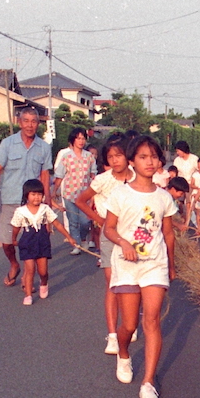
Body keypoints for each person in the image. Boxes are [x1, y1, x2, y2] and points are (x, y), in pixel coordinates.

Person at [103, 135, 178, 398]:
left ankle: (148, 381)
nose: (150, 161)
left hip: (154, 264)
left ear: (160, 161)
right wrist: (123, 243)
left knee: (152, 320)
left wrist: (171, 264)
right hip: (126, 266)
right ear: (132, 160)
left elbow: (168, 234)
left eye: (154, 157)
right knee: (129, 324)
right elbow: (108, 228)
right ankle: (124, 354)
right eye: (143, 157)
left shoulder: (164, 197)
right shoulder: (120, 193)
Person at [74, 134, 133, 355]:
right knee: (112, 283)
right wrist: (100, 220)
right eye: (111, 156)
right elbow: (80, 200)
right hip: (110, 237)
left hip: (133, 237)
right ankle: (112, 335)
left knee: (131, 282)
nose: (116, 160)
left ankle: (129, 323)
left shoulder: (137, 178)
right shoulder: (103, 180)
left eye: (119, 155)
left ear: (128, 156)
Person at [0, 108, 53, 287]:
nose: (30, 125)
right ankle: (14, 264)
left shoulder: (44, 147)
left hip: (34, 203)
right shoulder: (8, 143)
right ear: (20, 122)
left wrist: (47, 200)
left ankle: (28, 275)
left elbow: (45, 175)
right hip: (11, 199)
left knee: (31, 242)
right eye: (26, 121)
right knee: (7, 241)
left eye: (34, 121)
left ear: (38, 124)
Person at [10, 179, 76, 305]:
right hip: (27, 242)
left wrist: (69, 237)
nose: (36, 197)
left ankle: (44, 283)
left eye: (39, 194)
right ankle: (28, 295)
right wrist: (14, 239)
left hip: (42, 241)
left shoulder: (45, 209)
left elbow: (57, 224)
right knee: (30, 270)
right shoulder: (20, 211)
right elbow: (16, 227)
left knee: (43, 271)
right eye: (33, 194)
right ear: (26, 195)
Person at [53, 127, 98, 255]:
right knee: (73, 221)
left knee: (85, 222)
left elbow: (93, 176)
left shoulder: (89, 157)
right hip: (69, 194)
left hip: (85, 195)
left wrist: (94, 194)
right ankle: (77, 245)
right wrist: (54, 191)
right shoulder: (66, 157)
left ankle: (83, 238)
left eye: (83, 138)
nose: (81, 141)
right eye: (78, 138)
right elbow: (59, 176)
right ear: (73, 139)